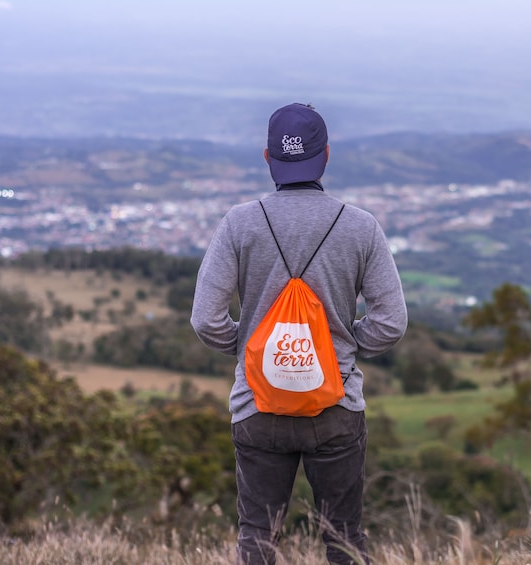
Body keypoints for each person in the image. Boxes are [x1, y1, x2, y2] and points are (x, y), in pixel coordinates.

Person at [190, 102, 408, 565]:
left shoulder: (238, 223)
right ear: (325, 155)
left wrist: (258, 351)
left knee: (258, 537)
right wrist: (334, 352)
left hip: (258, 406)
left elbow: (205, 319)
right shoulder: (360, 227)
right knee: (344, 537)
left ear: (268, 158)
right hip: (335, 407)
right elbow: (391, 321)